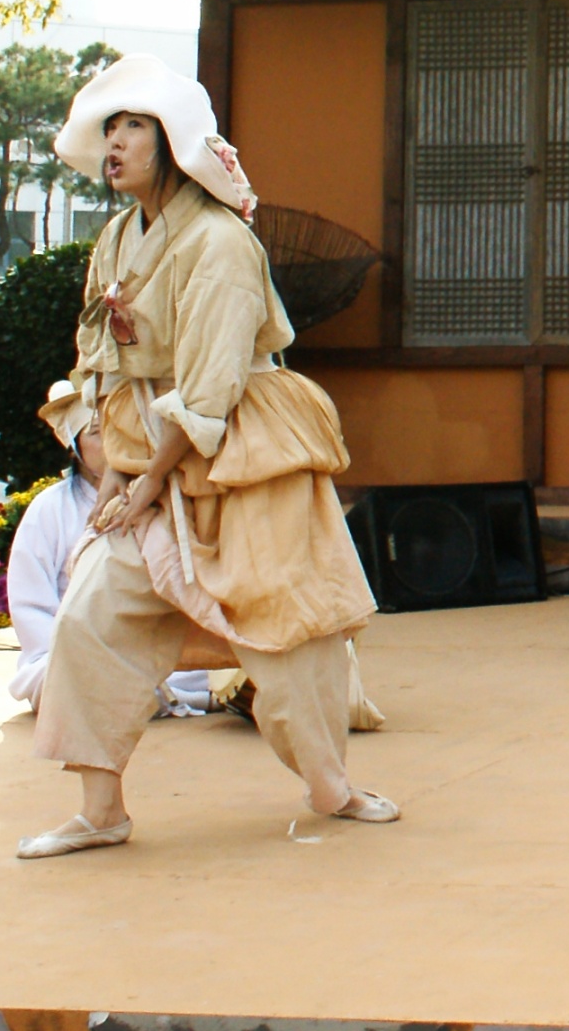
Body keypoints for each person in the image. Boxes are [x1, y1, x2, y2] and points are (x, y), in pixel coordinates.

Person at [20, 55, 396, 858]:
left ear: (173, 142)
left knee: (287, 634)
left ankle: (331, 786)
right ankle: (100, 810)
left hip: (243, 455)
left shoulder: (221, 242)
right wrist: (118, 472)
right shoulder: (117, 239)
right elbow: (103, 363)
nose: (115, 143)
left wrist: (149, 476)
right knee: (90, 617)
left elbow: (211, 384)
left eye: (133, 127)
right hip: (149, 455)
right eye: (110, 128)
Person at [5, 380, 208, 717]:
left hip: (170, 660)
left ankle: (160, 690)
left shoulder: (172, 497)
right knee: (69, 679)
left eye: (120, 429)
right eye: (97, 433)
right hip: (77, 654)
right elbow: (30, 603)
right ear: (75, 447)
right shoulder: (50, 508)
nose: (113, 442)